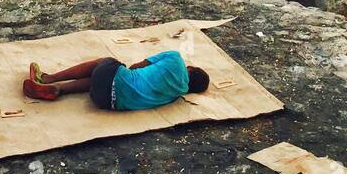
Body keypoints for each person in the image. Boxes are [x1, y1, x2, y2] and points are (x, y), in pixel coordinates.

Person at [23, 50, 209, 110]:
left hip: (111, 79)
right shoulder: (176, 95)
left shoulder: (175, 58)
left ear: (190, 68)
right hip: (106, 102)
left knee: (104, 64)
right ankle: (59, 90)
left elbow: (138, 66)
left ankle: (49, 78)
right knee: (107, 80)